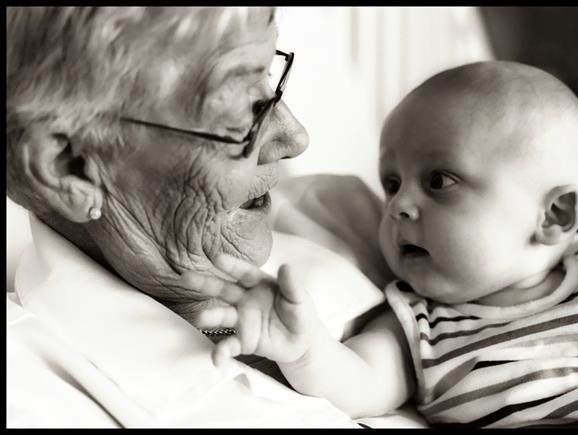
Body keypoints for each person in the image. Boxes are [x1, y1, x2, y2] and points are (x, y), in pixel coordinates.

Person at [183, 61, 578, 428]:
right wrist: (305, 347)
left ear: (553, 216)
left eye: (439, 181)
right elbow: (359, 381)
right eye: (391, 183)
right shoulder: (417, 326)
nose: (399, 205)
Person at [7, 6, 377, 428]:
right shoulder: (31, 399)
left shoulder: (359, 224)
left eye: (270, 84)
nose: (295, 138)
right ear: (71, 168)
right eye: (243, 112)